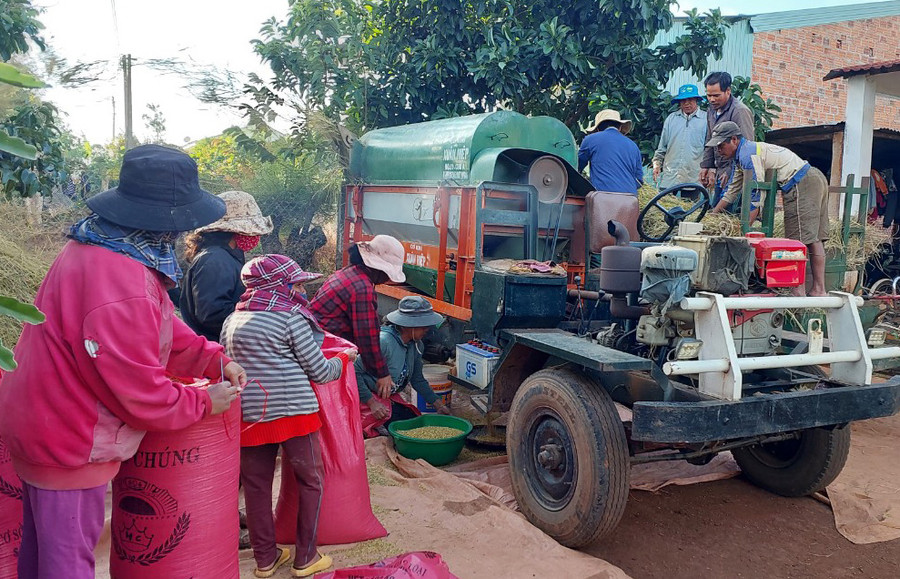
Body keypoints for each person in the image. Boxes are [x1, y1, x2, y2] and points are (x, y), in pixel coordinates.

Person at [0, 144, 246, 579]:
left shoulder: (104, 246)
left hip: (42, 424)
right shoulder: (121, 279)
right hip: (68, 440)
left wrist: (211, 358)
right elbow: (138, 389)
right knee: (66, 564)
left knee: (43, 555)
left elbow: (162, 323)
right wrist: (206, 402)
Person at [221, 254, 357, 578]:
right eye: (294, 283)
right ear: (279, 285)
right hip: (294, 413)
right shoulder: (290, 317)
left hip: (250, 415)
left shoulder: (232, 321)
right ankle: (305, 557)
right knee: (311, 481)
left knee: (255, 488)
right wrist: (345, 358)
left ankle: (265, 560)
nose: (299, 289)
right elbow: (321, 371)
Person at [708, 122, 830, 297]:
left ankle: (799, 291)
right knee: (813, 239)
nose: (718, 150)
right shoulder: (742, 155)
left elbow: (757, 194)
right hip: (813, 177)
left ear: (734, 140)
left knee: (798, 241)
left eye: (721, 145)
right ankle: (818, 289)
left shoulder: (748, 155)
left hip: (801, 182)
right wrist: (713, 214)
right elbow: (732, 190)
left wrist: (744, 229)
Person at [308, 235, 406, 401]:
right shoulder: (361, 288)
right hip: (324, 350)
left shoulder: (348, 273)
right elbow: (367, 336)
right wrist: (382, 373)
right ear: (379, 269)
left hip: (315, 344)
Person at [180, 190, 274, 342]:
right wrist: (259, 318)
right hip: (218, 348)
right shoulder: (215, 260)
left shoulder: (226, 256)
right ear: (235, 231)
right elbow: (211, 315)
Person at [355, 296, 451, 435]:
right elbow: (353, 371)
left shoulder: (417, 345)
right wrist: (372, 403)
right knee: (398, 432)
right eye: (424, 325)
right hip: (366, 397)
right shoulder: (384, 342)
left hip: (387, 398)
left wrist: (438, 404)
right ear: (408, 325)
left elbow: (417, 379)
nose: (427, 329)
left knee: (414, 424)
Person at [699, 72, 755, 202]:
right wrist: (705, 166)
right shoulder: (711, 110)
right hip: (720, 171)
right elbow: (709, 139)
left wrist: (730, 172)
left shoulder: (740, 111)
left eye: (716, 95)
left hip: (735, 174)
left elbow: (746, 148)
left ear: (728, 91)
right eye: (709, 95)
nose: (712, 99)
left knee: (728, 213)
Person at [652, 84, 707, 189]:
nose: (686, 103)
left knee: (691, 205)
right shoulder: (671, 119)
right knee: (665, 204)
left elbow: (709, 150)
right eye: (683, 100)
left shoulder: (706, 119)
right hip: (670, 176)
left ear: (696, 100)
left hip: (693, 177)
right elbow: (662, 146)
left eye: (690, 99)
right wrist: (657, 163)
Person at [577, 109, 644, 195]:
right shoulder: (634, 146)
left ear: (597, 128)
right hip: (630, 200)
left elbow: (577, 167)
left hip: (602, 198)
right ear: (620, 127)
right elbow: (639, 180)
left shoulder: (590, 140)